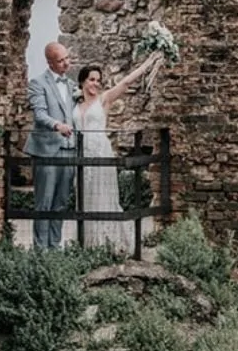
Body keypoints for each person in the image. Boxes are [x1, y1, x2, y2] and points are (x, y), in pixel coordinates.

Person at [74, 52, 163, 252]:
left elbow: (125, 82)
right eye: (92, 80)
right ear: (82, 82)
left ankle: (105, 243)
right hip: (80, 153)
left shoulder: (104, 100)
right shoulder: (76, 104)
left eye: (98, 80)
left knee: (102, 195)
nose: (96, 84)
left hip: (99, 148)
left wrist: (148, 62)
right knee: (84, 196)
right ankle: (86, 243)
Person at [25, 41, 76, 250]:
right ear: (50, 63)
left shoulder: (72, 86)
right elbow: (39, 113)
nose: (66, 64)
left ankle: (55, 247)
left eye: (67, 58)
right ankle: (41, 250)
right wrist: (57, 125)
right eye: (60, 60)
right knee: (44, 201)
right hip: (46, 149)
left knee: (61, 201)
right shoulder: (37, 84)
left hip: (69, 149)